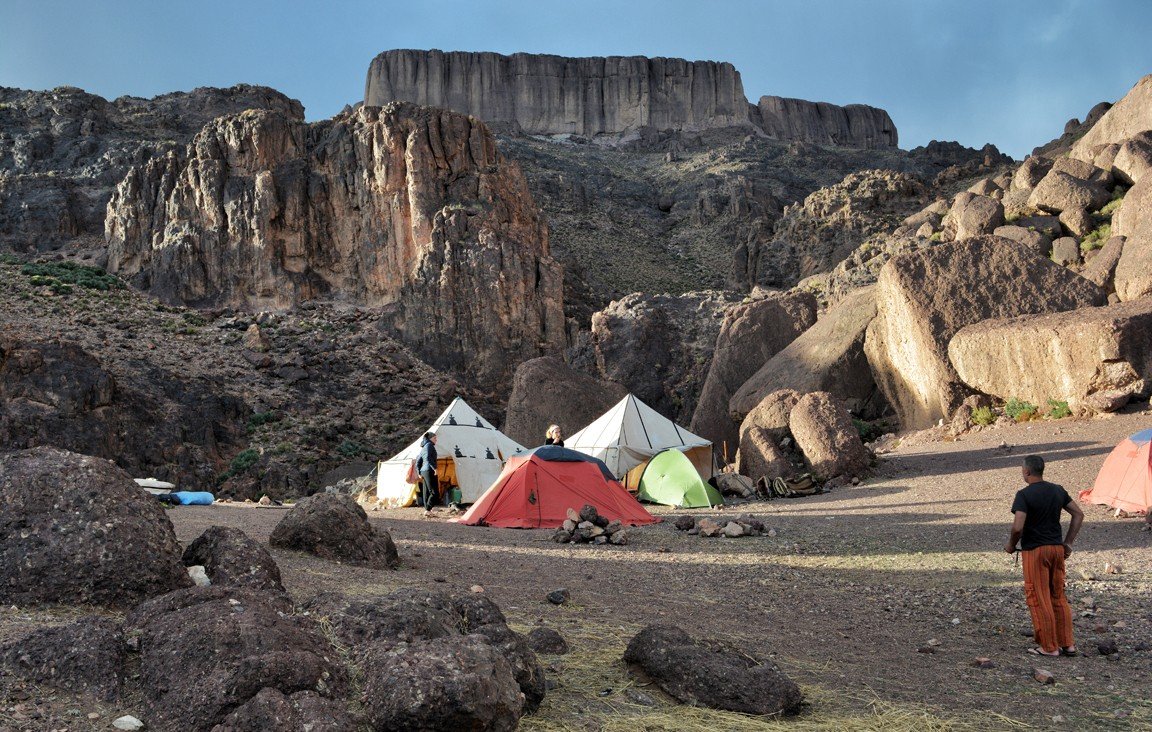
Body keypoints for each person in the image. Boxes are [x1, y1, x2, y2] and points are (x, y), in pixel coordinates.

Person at [1004, 455, 1084, 657]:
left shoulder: (1024, 495)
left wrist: (1011, 545)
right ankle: (1068, 644)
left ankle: (1049, 647)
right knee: (1058, 596)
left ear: (1027, 472)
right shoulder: (1058, 490)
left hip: (1035, 552)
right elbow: (1078, 514)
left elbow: (1018, 526)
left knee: (1039, 597)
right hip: (1057, 549)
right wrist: (1068, 543)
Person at [417, 431, 439, 515]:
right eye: (434, 438)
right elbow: (428, 458)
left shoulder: (424, 447)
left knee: (426, 492)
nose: (436, 440)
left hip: (424, 471)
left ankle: (428, 509)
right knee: (434, 492)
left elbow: (418, 461)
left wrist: (419, 471)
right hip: (429, 470)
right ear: (430, 439)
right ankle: (428, 509)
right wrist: (435, 468)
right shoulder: (429, 446)